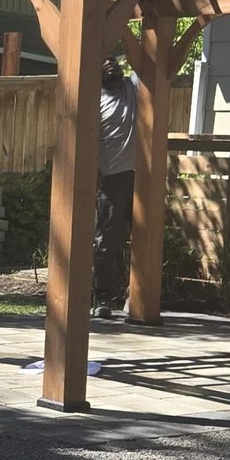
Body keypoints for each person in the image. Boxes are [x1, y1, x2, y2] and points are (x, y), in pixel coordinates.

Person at [94, 56, 139, 317]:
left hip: (142, 177)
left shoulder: (134, 86)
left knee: (144, 240)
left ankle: (137, 296)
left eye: (113, 60)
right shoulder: (95, 99)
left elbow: (147, 61)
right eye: (104, 62)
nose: (110, 63)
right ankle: (103, 298)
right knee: (106, 242)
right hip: (111, 179)